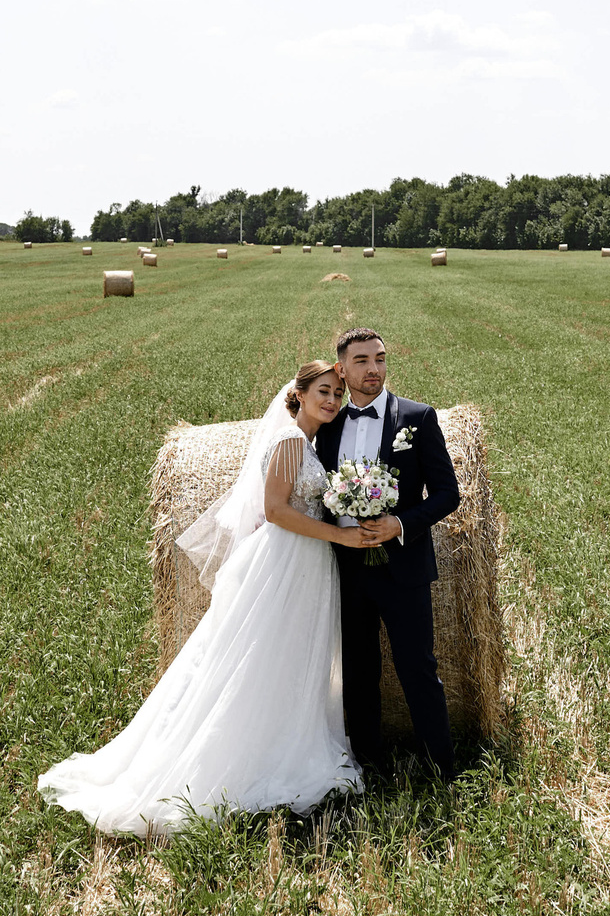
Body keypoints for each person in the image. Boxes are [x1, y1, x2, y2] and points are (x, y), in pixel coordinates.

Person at [38, 360, 367, 837]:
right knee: (261, 657)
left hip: (306, 562)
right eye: (324, 390)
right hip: (286, 560)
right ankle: (243, 759)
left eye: (338, 393)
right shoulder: (290, 441)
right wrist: (340, 537)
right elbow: (276, 511)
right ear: (299, 393)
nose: (333, 400)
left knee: (287, 657)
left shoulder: (307, 443)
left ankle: (279, 739)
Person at [314, 327, 463, 780]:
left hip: (404, 567)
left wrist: (399, 524)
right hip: (347, 569)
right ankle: (368, 767)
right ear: (342, 369)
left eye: (379, 358)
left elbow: (447, 493)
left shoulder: (417, 418)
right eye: (361, 361)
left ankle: (442, 769)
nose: (373, 369)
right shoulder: (328, 425)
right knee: (358, 673)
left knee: (418, 669)